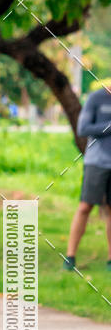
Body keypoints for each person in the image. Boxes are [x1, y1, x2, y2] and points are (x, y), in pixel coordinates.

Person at [64, 84, 111, 271]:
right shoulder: (96, 98)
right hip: (97, 162)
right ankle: (70, 257)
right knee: (85, 207)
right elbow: (83, 128)